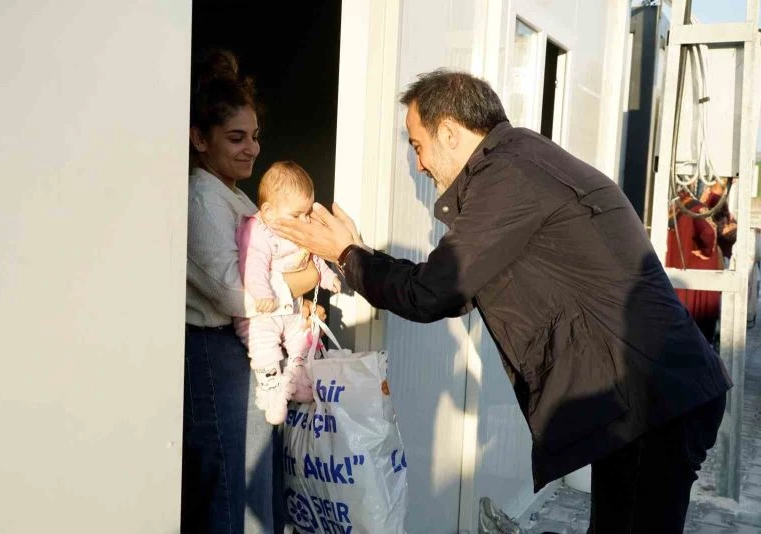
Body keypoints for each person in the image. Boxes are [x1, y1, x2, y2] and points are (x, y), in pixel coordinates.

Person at [271, 69, 732, 533]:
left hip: (652, 400)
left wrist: (347, 256)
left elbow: (432, 293)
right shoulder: (519, 163)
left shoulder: (510, 176)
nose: (419, 165)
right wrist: (359, 255)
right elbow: (454, 289)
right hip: (649, 397)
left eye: (417, 145)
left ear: (449, 132)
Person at [183, 49, 323, 534]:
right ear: (199, 138)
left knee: (258, 483)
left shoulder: (236, 196)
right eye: (236, 137)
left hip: (242, 345)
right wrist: (302, 280)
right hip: (213, 352)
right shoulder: (202, 199)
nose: (252, 149)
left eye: (255, 136)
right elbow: (234, 292)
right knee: (235, 488)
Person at [234, 161, 341, 424]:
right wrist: (262, 293)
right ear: (269, 213)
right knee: (263, 345)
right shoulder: (257, 231)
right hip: (264, 313)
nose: (304, 221)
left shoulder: (298, 232)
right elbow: (252, 263)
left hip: (292, 310)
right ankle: (271, 391)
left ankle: (297, 378)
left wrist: (327, 277)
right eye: (297, 215)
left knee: (303, 339)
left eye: (307, 214)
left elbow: (314, 258)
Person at [666, 189, 723, 344]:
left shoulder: (674, 208)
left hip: (675, 271)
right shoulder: (696, 208)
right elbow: (709, 232)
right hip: (696, 273)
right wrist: (707, 252)